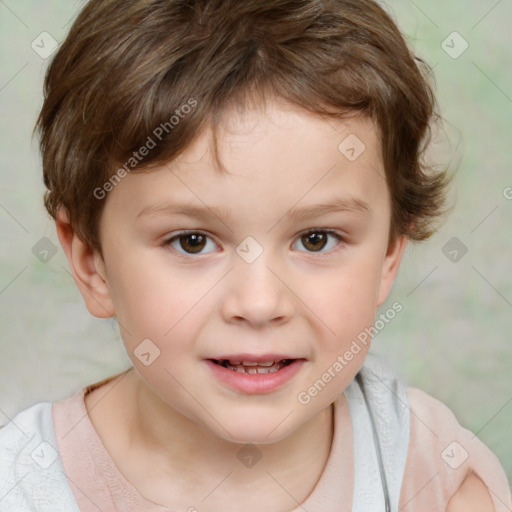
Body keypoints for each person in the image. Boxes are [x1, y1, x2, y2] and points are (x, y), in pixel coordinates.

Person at [0, 0, 510, 510]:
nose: (261, 303)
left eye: (316, 239)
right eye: (192, 242)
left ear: (388, 256)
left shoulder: (435, 484)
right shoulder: (22, 487)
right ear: (93, 264)